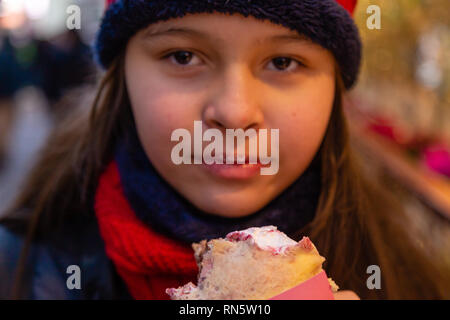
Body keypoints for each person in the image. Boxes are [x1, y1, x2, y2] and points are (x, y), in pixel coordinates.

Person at [0, 0, 448, 300]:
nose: (234, 113)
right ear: (124, 78)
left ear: (334, 91)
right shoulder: (16, 269)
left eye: (283, 61)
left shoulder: (414, 278)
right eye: (182, 56)